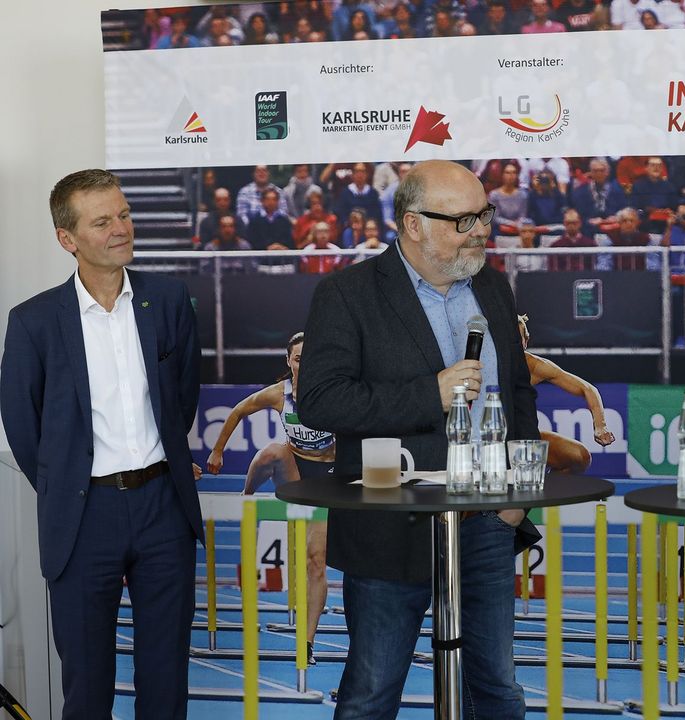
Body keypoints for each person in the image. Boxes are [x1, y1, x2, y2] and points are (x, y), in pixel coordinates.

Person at [297, 160, 538, 719]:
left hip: (485, 522)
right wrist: (430, 393)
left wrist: (515, 497)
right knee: (371, 692)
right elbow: (322, 400)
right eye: (464, 220)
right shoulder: (347, 293)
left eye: (485, 214)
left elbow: (519, 391)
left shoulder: (494, 287)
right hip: (390, 522)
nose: (481, 229)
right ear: (412, 224)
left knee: (497, 690)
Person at [0, 169, 202, 717]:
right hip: (82, 517)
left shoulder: (169, 299)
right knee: (86, 683)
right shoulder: (34, 322)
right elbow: (23, 426)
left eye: (125, 214)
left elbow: (183, 398)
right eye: (102, 221)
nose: (121, 228)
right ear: (68, 239)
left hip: (164, 508)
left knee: (165, 679)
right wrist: (66, 484)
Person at [205, 332, 333, 664]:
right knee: (273, 451)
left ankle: (306, 643)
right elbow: (236, 410)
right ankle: (245, 498)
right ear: (288, 361)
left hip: (329, 477)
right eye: (298, 359)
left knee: (316, 561)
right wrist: (217, 451)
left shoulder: (335, 390)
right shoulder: (279, 395)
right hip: (295, 470)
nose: (303, 365)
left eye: (310, 358)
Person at [517, 314, 615, 472]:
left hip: (522, 437)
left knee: (579, 457)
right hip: (488, 437)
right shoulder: (482, 364)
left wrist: (600, 426)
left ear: (525, 341)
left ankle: (546, 493)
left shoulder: (534, 366)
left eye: (518, 340)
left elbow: (587, 388)